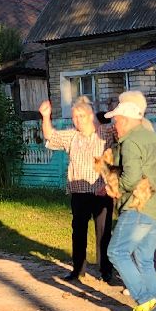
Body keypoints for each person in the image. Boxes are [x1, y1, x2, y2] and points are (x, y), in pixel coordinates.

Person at [106, 91, 156, 311]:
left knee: (116, 252)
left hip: (139, 206)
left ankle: (144, 300)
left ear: (124, 120)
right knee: (144, 259)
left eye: (115, 121)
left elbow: (131, 179)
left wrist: (115, 187)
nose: (114, 125)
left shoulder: (131, 142)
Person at [38, 97, 118, 282]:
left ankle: (106, 271)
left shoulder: (105, 132)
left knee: (104, 232)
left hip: (102, 191)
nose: (77, 120)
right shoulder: (72, 136)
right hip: (79, 191)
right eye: (74, 117)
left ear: (90, 116)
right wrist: (45, 116)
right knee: (78, 231)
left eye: (81, 116)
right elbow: (50, 136)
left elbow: (122, 132)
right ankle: (78, 269)